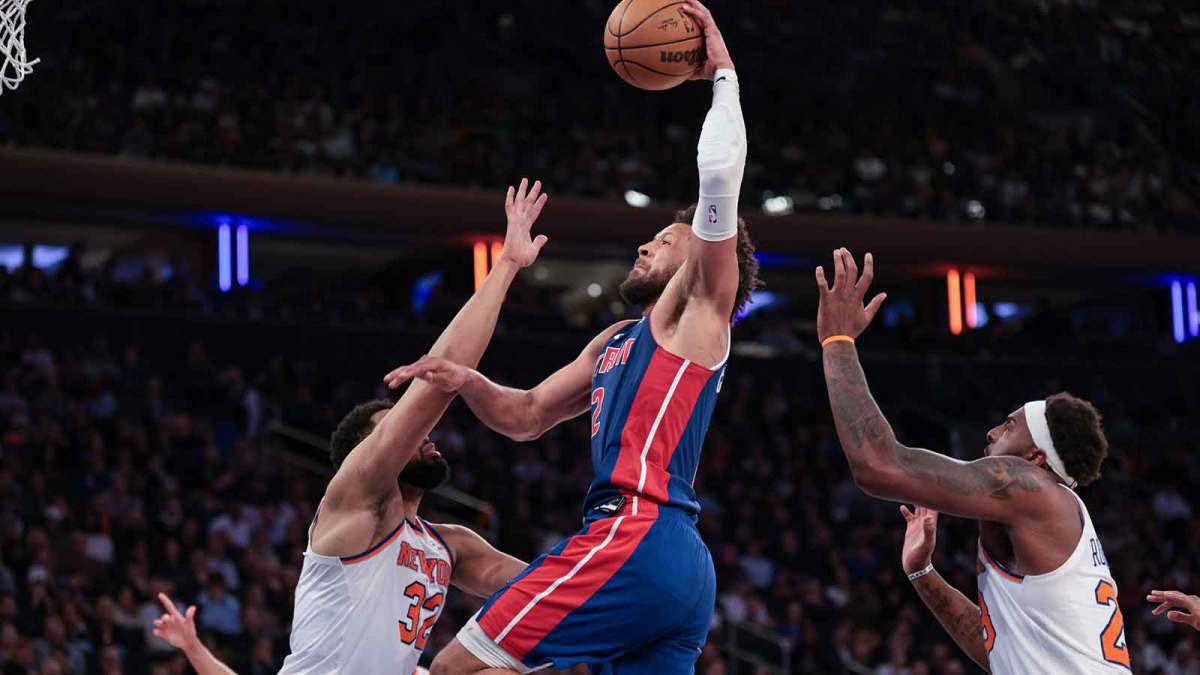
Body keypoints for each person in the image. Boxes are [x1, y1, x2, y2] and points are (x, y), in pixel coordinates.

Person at [385, 2, 760, 671]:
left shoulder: (699, 311)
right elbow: (527, 415)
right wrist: (466, 379)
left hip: (636, 532)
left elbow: (718, 177)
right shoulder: (617, 339)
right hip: (674, 568)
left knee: (452, 668)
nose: (645, 245)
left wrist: (723, 77)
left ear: (700, 260)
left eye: (664, 240)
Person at [160, 179, 551, 674]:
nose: (421, 435)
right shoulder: (356, 499)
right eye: (395, 430)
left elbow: (551, 587)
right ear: (364, 453)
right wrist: (507, 265)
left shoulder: (450, 545)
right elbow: (438, 381)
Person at [816, 247, 1128, 673]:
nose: (992, 432)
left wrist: (837, 342)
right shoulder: (1050, 519)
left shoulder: (1030, 487)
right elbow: (995, 650)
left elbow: (878, 466)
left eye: (1009, 425)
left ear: (1035, 457)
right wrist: (922, 573)